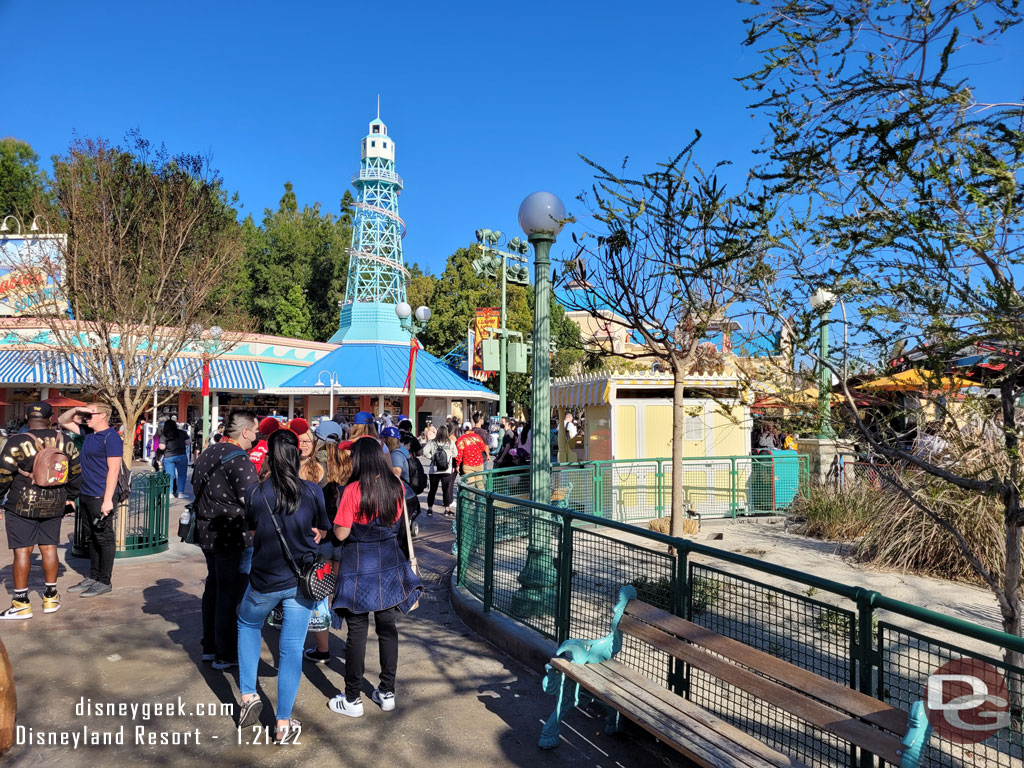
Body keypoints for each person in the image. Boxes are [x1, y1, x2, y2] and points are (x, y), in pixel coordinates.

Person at [236, 429, 329, 742]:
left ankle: (249, 696)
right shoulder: (313, 491)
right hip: (300, 582)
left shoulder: (255, 493)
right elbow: (323, 529)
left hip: (264, 579)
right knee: (292, 650)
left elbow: (251, 528)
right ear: (295, 455)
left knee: (248, 623)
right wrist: (313, 534)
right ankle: (283, 724)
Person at [328, 438, 423, 718]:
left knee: (356, 631)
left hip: (358, 565)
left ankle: (353, 698)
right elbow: (396, 523)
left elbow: (342, 534)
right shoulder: (395, 487)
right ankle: (387, 692)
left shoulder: (352, 490)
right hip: (388, 564)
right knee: (387, 628)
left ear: (359, 460)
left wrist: (335, 524)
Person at [190, 410, 259, 669]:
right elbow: (250, 501)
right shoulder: (240, 460)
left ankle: (210, 646)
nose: (257, 435)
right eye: (256, 429)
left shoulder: (208, 452)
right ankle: (225, 653)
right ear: (245, 432)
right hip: (233, 536)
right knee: (231, 595)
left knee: (215, 588)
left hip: (207, 532)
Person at [0, 402, 82, 619]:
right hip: (55, 503)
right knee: (49, 548)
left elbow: (4, 474)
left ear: (27, 418)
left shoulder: (16, 441)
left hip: (22, 504)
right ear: (50, 417)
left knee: (23, 551)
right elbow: (75, 472)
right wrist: (71, 498)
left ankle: (21, 603)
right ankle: (51, 597)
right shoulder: (65, 440)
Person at [58, 403, 122, 598]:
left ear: (103, 415)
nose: (87, 417)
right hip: (84, 494)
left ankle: (104, 580)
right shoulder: (88, 433)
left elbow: (114, 470)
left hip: (100, 495)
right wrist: (79, 409)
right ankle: (93, 577)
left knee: (104, 537)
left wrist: (108, 499)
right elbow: (62, 420)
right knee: (91, 537)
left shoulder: (112, 438)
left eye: (91, 413)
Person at [304, 433, 353, 664]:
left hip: (321, 536)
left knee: (320, 592)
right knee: (343, 590)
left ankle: (323, 649)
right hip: (343, 536)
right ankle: (351, 640)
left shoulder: (315, 467)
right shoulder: (349, 467)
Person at [423, 425, 456, 517]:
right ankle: (447, 509)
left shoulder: (432, 442)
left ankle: (429, 509)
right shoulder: (450, 442)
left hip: (434, 470)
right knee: (446, 490)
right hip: (447, 470)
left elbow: (425, 452)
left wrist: (432, 457)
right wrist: (449, 457)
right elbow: (455, 453)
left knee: (432, 490)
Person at [160, 420, 190, 498]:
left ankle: (170, 493)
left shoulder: (164, 435)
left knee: (169, 475)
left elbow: (161, 447)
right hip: (181, 456)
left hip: (168, 456)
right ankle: (180, 493)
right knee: (182, 475)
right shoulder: (182, 433)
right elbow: (188, 442)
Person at [456, 418, 489, 487]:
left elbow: (459, 454)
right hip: (479, 463)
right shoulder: (477, 437)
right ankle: (481, 497)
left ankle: (471, 497)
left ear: (463, 429)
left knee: (470, 484)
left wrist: (458, 465)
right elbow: (483, 447)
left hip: (467, 464)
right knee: (480, 483)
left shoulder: (461, 439)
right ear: (471, 428)